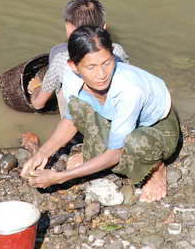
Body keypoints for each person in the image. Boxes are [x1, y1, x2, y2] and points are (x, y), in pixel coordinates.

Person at [20, 26, 180, 202]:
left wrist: (61, 176)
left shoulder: (129, 90)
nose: (102, 74)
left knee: (133, 146)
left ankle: (156, 168)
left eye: (107, 63)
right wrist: (42, 154)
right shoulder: (71, 78)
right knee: (78, 107)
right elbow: (71, 119)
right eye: (91, 67)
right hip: (114, 117)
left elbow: (115, 154)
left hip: (157, 126)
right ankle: (95, 156)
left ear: (113, 55)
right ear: (73, 66)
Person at [27, 0, 129, 113]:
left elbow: (38, 104)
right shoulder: (117, 51)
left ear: (69, 31)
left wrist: (36, 87)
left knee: (56, 51)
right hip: (113, 109)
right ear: (104, 27)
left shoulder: (61, 60)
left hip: (76, 119)